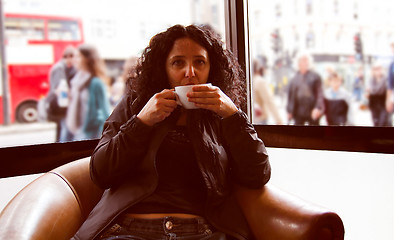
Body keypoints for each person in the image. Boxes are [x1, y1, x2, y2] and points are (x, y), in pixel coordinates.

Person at [72, 24, 271, 240]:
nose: (190, 73)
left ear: (211, 68)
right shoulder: (135, 104)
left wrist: (233, 115)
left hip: (200, 232)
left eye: (199, 62)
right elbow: (101, 172)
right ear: (163, 68)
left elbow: (257, 175)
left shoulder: (221, 114)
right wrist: (142, 122)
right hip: (130, 230)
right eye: (178, 63)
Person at [65, 44, 111, 141]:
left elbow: (105, 112)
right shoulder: (76, 81)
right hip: (75, 133)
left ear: (87, 59)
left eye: (78, 56)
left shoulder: (96, 83)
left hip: (91, 134)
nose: (74, 60)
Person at [47, 46, 77, 142]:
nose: (76, 60)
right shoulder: (59, 68)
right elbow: (60, 88)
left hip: (61, 103)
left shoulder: (63, 67)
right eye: (75, 57)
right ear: (69, 56)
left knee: (62, 128)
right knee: (64, 127)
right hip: (60, 103)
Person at [286, 51, 325, 125]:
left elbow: (320, 94)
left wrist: (317, 107)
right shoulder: (294, 79)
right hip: (298, 111)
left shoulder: (315, 77)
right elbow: (290, 96)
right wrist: (289, 111)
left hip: (312, 110)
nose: (305, 62)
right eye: (303, 60)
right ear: (298, 62)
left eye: (307, 60)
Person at [252, 59, 283, 124]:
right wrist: (279, 120)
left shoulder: (249, 81)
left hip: (253, 118)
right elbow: (269, 101)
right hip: (260, 119)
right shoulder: (260, 81)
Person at [366, 62, 391, 127]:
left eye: (379, 68)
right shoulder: (371, 79)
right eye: (375, 69)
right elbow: (369, 91)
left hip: (383, 104)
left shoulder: (386, 78)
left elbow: (389, 90)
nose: (377, 70)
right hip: (373, 104)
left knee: (382, 122)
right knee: (375, 123)